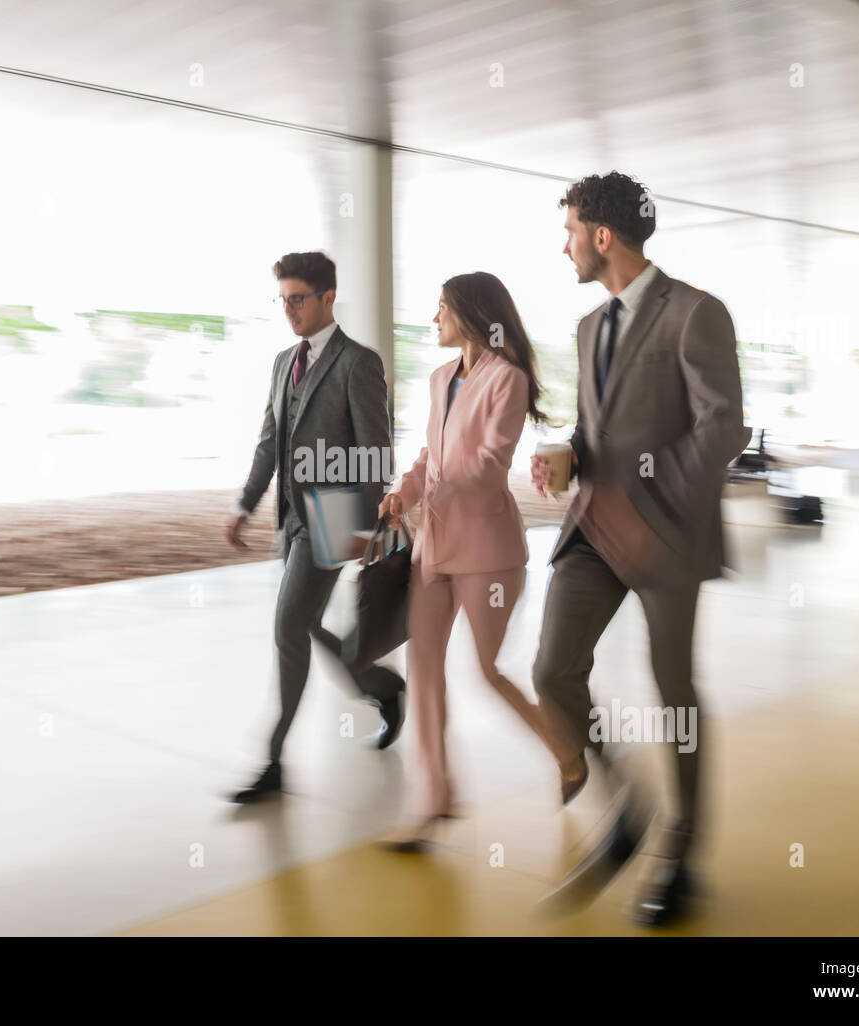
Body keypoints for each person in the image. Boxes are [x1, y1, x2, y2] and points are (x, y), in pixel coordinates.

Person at [530, 172, 751, 925]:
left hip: (666, 535)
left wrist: (647, 500)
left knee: (674, 692)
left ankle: (680, 852)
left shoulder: (696, 313)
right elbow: (598, 435)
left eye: (569, 233)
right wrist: (567, 453)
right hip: (593, 529)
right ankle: (626, 804)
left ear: (602, 236)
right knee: (552, 670)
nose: (563, 247)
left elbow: (723, 428)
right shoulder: (590, 329)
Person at [376, 271, 578, 851]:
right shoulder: (441, 378)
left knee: (487, 671)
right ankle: (432, 802)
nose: (433, 317)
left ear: (469, 312)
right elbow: (427, 457)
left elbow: (490, 463)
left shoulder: (506, 381)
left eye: (441, 306)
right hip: (432, 549)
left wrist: (433, 488)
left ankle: (567, 754)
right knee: (425, 672)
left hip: (488, 553)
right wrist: (403, 494)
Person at [225, 251, 405, 804]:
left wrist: (366, 524)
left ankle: (274, 761)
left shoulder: (358, 362)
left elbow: (377, 452)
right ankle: (380, 686)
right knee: (302, 626)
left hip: (335, 521)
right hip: (293, 521)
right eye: (282, 300)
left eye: (298, 299)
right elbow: (268, 443)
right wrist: (246, 504)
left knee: (286, 628)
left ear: (328, 298)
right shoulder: (284, 363)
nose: (289, 310)